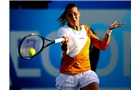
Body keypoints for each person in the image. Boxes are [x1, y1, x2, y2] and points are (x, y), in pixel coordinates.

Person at [56, 3, 125, 90]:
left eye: (75, 14)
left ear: (79, 13)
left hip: (86, 72)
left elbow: (102, 46)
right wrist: (65, 44)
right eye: (70, 15)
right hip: (68, 74)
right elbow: (65, 51)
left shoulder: (86, 29)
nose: (73, 17)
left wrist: (109, 31)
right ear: (66, 16)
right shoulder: (63, 30)